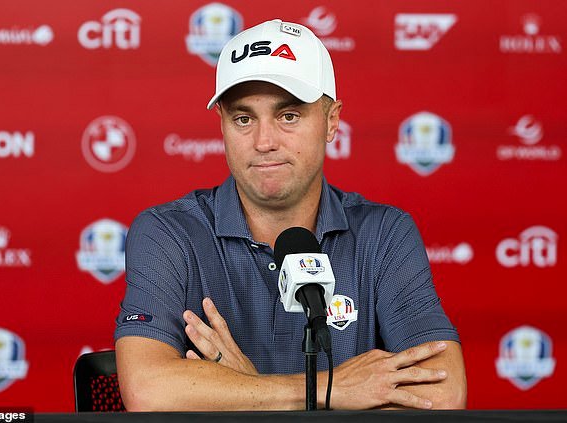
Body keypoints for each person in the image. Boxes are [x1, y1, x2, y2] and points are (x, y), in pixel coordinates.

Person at [115, 19, 466, 411]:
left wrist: (244, 390)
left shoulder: (384, 233)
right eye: (244, 119)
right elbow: (147, 390)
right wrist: (332, 390)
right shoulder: (169, 233)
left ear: (331, 121)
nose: (264, 142)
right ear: (223, 126)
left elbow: (442, 393)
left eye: (289, 116)